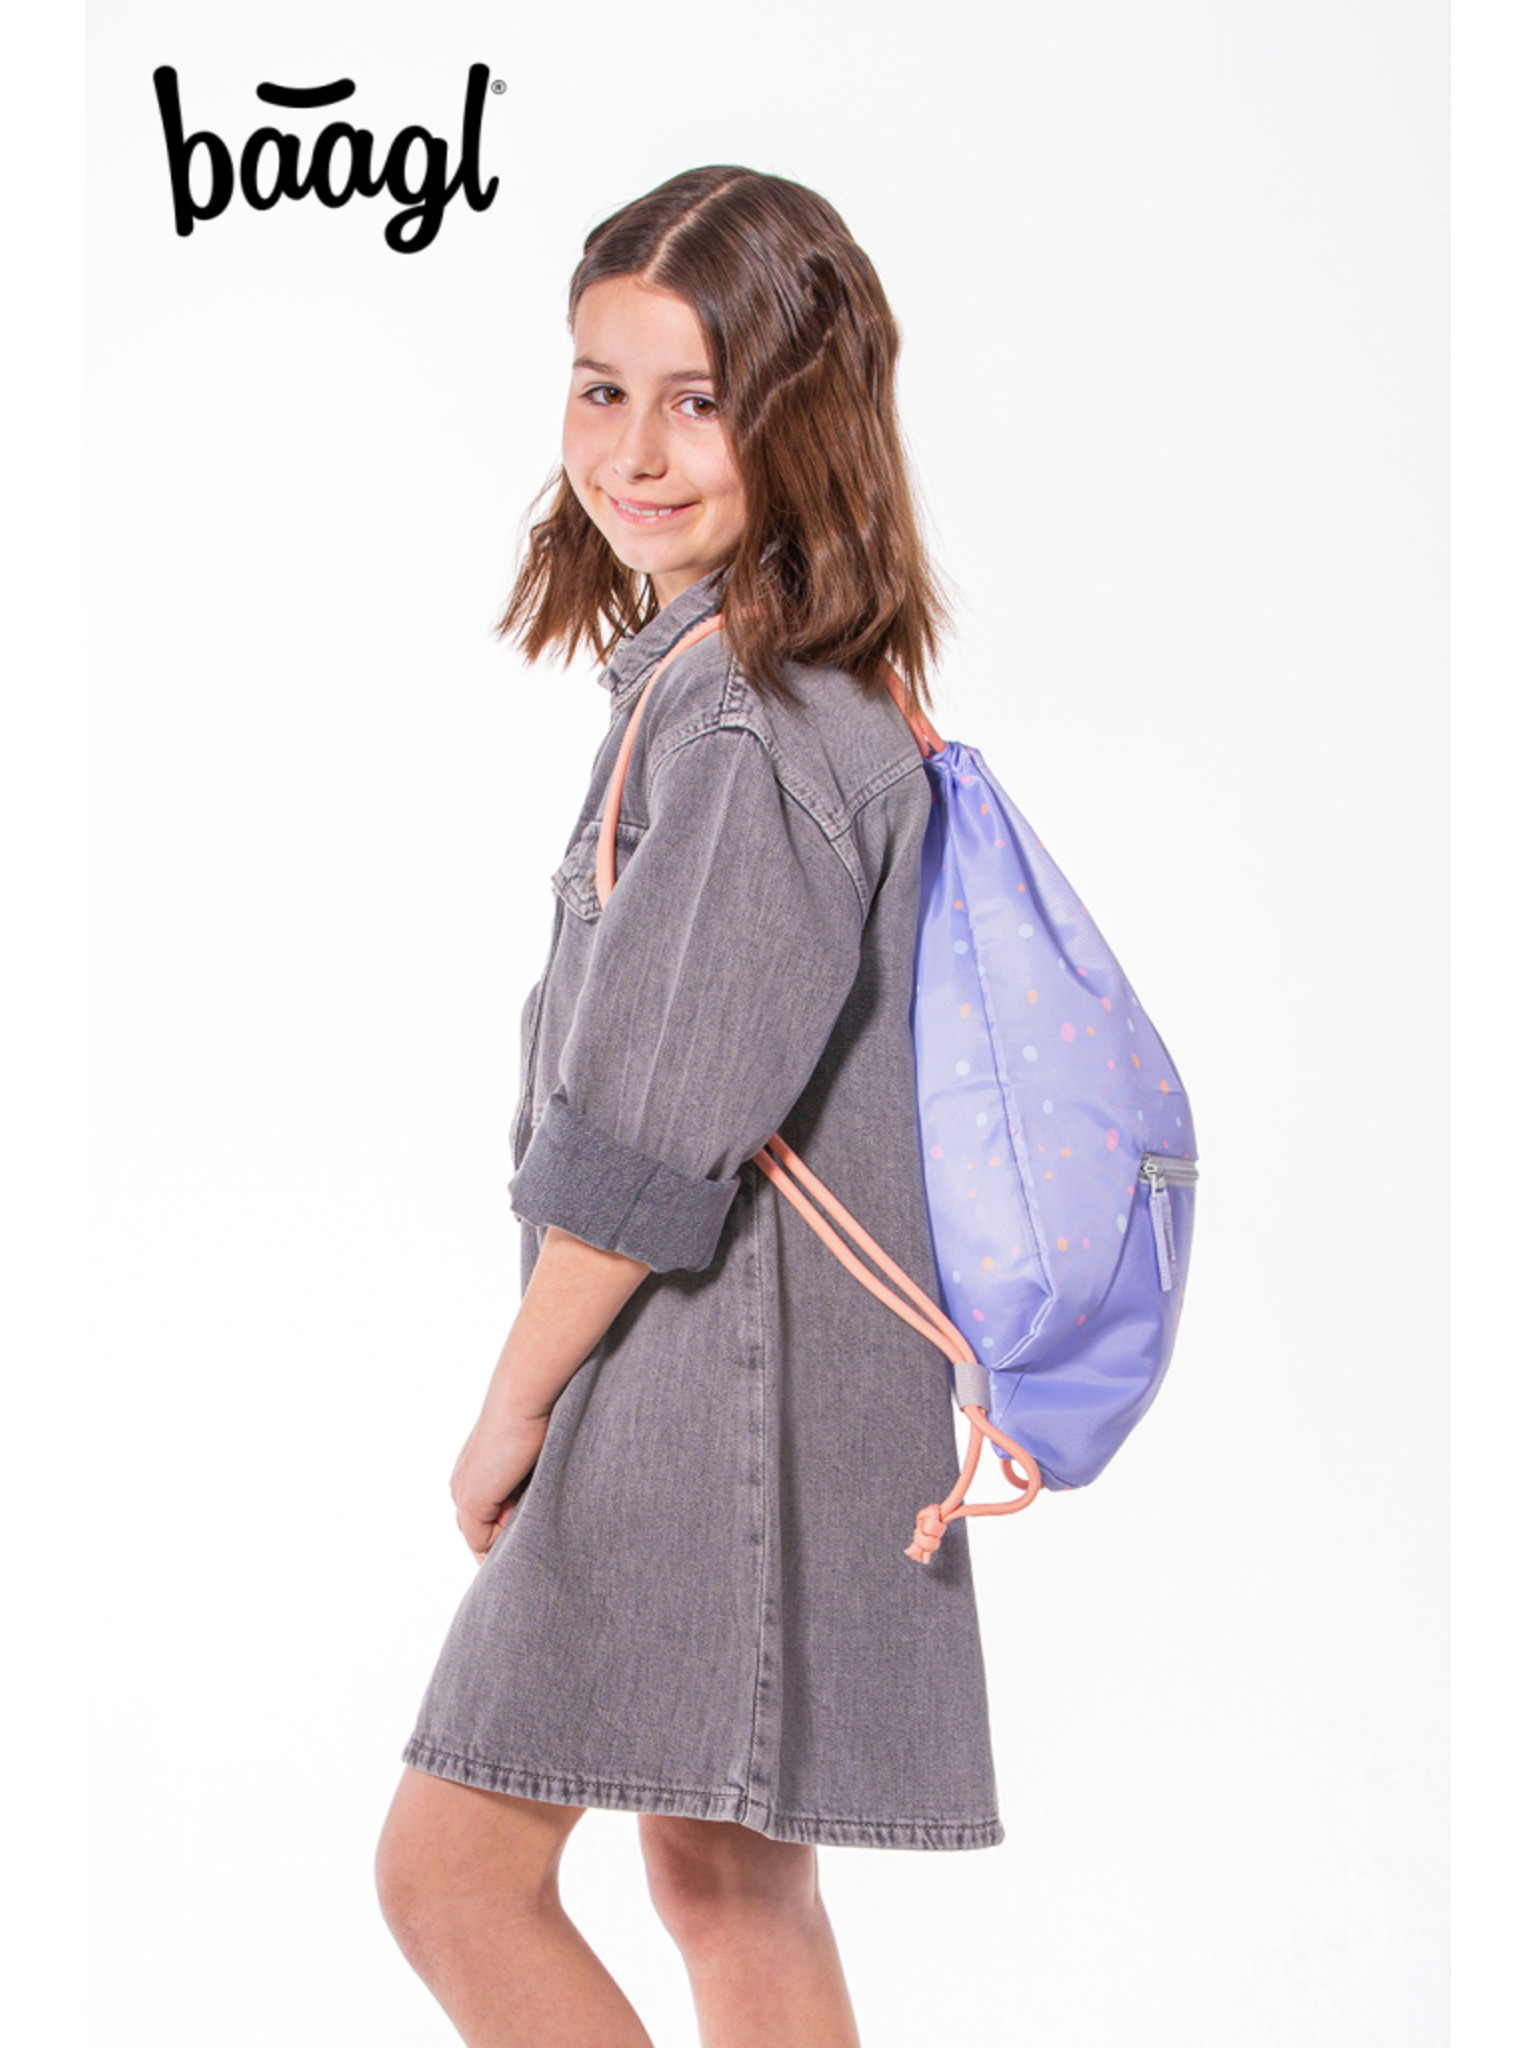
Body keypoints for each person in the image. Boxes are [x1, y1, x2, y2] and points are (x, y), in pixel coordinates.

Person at [374, 164, 1004, 2048]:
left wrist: (514, 1405)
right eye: (602, 387)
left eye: (698, 399)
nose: (634, 452)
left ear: (803, 418)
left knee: (449, 1876)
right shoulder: (797, 694)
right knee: (732, 1888)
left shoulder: (743, 721)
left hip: (703, 1381)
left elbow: (651, 1146)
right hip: (788, 1385)